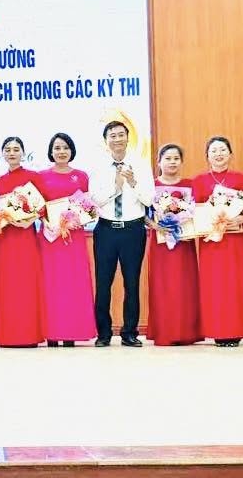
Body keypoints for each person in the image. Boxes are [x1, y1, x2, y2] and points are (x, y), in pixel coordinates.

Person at [91, 121, 154, 347]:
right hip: (106, 230)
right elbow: (95, 200)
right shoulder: (98, 167)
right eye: (112, 135)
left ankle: (129, 332)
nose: (117, 139)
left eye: (121, 135)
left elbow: (149, 199)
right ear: (106, 140)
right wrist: (116, 187)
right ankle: (103, 333)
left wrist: (133, 182)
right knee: (103, 284)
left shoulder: (141, 165)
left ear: (128, 137)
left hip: (133, 230)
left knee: (132, 283)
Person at [191, 136, 243, 346]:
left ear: (230, 154)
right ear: (207, 156)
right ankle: (217, 330)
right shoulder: (199, 181)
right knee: (215, 285)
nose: (218, 154)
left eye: (222, 150)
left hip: (235, 239)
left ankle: (237, 329)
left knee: (236, 284)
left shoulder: (241, 179)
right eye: (214, 151)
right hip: (211, 241)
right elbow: (194, 210)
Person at [37, 133, 96, 346]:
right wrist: (46, 221)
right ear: (51, 152)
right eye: (57, 148)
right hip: (50, 236)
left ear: (72, 150)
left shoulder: (82, 176)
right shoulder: (41, 176)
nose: (61, 152)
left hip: (73, 237)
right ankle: (52, 333)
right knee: (51, 283)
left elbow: (88, 207)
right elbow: (37, 206)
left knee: (73, 284)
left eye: (65, 147)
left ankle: (72, 332)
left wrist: (81, 219)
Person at [145, 144, 202, 346]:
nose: (172, 162)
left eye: (176, 158)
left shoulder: (190, 185)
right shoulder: (150, 186)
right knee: (163, 286)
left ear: (181, 161)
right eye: (167, 158)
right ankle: (164, 331)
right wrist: (156, 226)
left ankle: (187, 331)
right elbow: (143, 214)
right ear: (159, 161)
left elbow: (198, 211)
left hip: (184, 243)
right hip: (160, 243)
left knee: (184, 285)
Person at [0, 136, 44, 347]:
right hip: (6, 239)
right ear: (3, 154)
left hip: (26, 237)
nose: (12, 153)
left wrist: (29, 220)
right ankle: (7, 336)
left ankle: (29, 335)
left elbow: (42, 207)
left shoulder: (33, 177)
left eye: (16, 149)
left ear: (23, 153)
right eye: (8, 149)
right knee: (8, 286)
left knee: (27, 285)